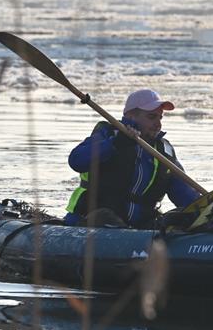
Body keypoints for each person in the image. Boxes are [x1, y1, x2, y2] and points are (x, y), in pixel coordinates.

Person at [64, 88, 200, 228]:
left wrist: (206, 210)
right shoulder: (108, 134)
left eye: (160, 118)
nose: (158, 124)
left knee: (180, 218)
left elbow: (186, 197)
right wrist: (115, 144)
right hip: (91, 221)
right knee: (104, 216)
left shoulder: (164, 151)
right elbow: (76, 161)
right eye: (151, 117)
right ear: (131, 116)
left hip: (137, 227)